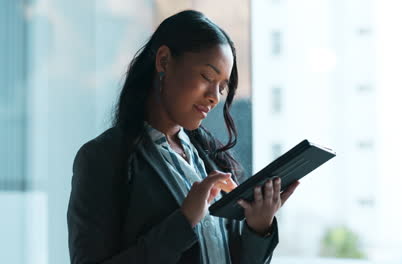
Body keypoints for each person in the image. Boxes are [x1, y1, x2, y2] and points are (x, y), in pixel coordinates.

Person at [67, 10, 300, 264]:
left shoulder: (211, 161)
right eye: (207, 77)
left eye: (222, 87)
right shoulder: (103, 158)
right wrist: (184, 221)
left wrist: (258, 228)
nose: (214, 97)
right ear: (164, 60)